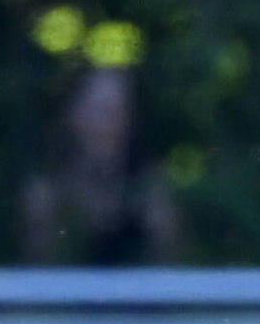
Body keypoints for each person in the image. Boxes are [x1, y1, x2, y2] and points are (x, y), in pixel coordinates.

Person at [20, 65, 179, 264]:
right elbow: (37, 271)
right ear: (71, 114)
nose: (105, 124)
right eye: (96, 110)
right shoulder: (45, 196)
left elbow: (170, 268)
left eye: (116, 111)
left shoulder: (151, 195)